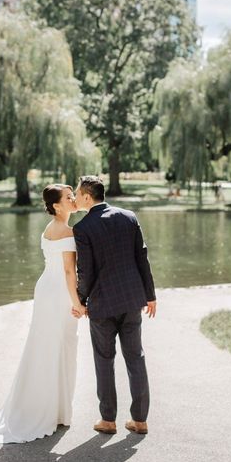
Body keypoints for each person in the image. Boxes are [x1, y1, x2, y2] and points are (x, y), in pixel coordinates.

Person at [0, 183, 82, 444]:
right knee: (59, 348)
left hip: (46, 288)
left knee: (44, 348)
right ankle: (54, 411)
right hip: (59, 293)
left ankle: (49, 408)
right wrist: (77, 302)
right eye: (68, 198)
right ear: (56, 206)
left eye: (73, 196)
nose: (73, 200)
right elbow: (70, 272)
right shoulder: (67, 232)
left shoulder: (48, 230)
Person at [72, 175, 156, 436]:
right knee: (136, 357)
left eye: (77, 194)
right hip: (132, 299)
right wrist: (150, 295)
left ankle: (108, 420)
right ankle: (140, 420)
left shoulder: (83, 228)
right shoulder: (128, 217)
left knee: (104, 360)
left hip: (102, 304)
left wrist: (81, 300)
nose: (74, 198)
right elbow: (142, 257)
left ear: (87, 196)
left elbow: (85, 272)